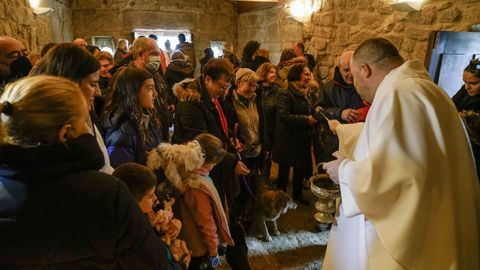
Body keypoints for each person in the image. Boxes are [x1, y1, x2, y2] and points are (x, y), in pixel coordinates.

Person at [322, 38, 480, 269]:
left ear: (365, 70)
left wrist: (343, 171)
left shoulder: (398, 94)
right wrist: (345, 131)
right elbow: (406, 142)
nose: (356, 85)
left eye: (354, 77)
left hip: (414, 234)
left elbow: (397, 177)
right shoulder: (426, 88)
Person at [0, 76, 174, 269]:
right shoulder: (105, 193)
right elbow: (149, 261)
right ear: (65, 134)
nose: (89, 129)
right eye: (84, 121)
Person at [172, 58, 251, 270]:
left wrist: (232, 143)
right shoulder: (191, 104)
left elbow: (219, 130)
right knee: (209, 220)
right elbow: (202, 144)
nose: (225, 91)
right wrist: (231, 160)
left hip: (216, 167)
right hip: (201, 172)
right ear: (208, 79)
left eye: (228, 86)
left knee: (225, 217)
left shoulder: (212, 97)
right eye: (222, 86)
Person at [148, 134, 234, 270]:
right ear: (207, 161)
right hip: (198, 247)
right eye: (214, 163)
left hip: (189, 241)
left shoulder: (185, 172)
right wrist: (213, 250)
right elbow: (205, 221)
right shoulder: (197, 186)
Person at [33, 43, 113, 174]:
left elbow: (104, 166)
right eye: (92, 84)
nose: (97, 92)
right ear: (71, 83)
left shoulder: (87, 115)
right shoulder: (51, 130)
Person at [113, 162, 191, 269]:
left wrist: (162, 233)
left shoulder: (130, 221)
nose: (155, 199)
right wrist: (181, 265)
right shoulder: (135, 239)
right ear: (133, 202)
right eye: (150, 196)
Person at [272, 63, 317, 205]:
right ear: (297, 75)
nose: (309, 77)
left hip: (302, 137)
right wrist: (307, 120)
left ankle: (297, 194)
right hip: (288, 139)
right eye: (306, 74)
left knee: (300, 168)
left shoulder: (308, 91)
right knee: (284, 171)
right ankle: (281, 197)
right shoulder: (285, 93)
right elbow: (284, 116)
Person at [312, 51, 368, 162]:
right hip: (335, 144)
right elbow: (316, 111)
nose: (350, 74)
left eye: (352, 69)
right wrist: (340, 113)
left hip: (360, 143)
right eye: (346, 70)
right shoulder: (329, 87)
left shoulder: (367, 85)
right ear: (339, 69)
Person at [102, 66, 163, 167]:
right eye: (150, 89)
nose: (155, 94)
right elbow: (124, 174)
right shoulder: (122, 133)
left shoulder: (147, 120)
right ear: (133, 92)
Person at [256, 62, 279, 180]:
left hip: (270, 130)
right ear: (263, 72)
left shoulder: (277, 91)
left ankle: (265, 183)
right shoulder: (254, 89)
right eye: (271, 72)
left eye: (275, 72)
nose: (274, 74)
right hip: (256, 129)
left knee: (266, 159)